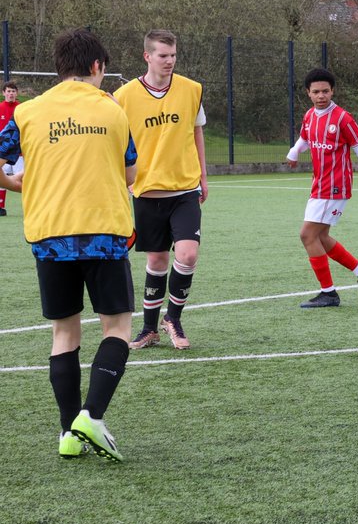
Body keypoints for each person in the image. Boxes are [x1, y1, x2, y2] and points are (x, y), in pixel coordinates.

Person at [0, 29, 136, 461]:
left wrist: (17, 183)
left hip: (49, 234)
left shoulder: (27, 111)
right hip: (103, 232)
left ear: (60, 68)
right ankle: (91, 418)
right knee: (117, 328)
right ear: (97, 67)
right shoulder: (113, 111)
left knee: (64, 331)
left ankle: (67, 433)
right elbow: (131, 174)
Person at [114, 30, 208, 351]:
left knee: (188, 254)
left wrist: (203, 177)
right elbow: (116, 142)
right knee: (156, 261)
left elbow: (196, 134)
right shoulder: (123, 96)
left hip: (184, 189)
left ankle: (174, 319)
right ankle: (149, 329)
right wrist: (124, 180)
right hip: (146, 192)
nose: (169, 61)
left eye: (173, 55)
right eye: (163, 55)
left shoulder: (191, 90)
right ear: (147, 56)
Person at [285, 67, 358, 308]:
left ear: (332, 91)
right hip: (319, 184)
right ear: (308, 93)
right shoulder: (309, 116)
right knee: (321, 237)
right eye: (316, 91)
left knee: (307, 235)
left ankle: (328, 293)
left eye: (325, 91)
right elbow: (305, 139)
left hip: (335, 186)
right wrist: (294, 152)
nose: (321, 96)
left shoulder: (342, 118)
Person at [0, 81, 19, 216]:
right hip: (3, 152)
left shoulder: (22, 108)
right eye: (8, 91)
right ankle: (1, 206)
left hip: (21, 152)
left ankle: (30, 207)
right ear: (3, 93)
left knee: (26, 179)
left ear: (16, 93)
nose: (11, 93)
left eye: (13, 91)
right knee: (1, 179)